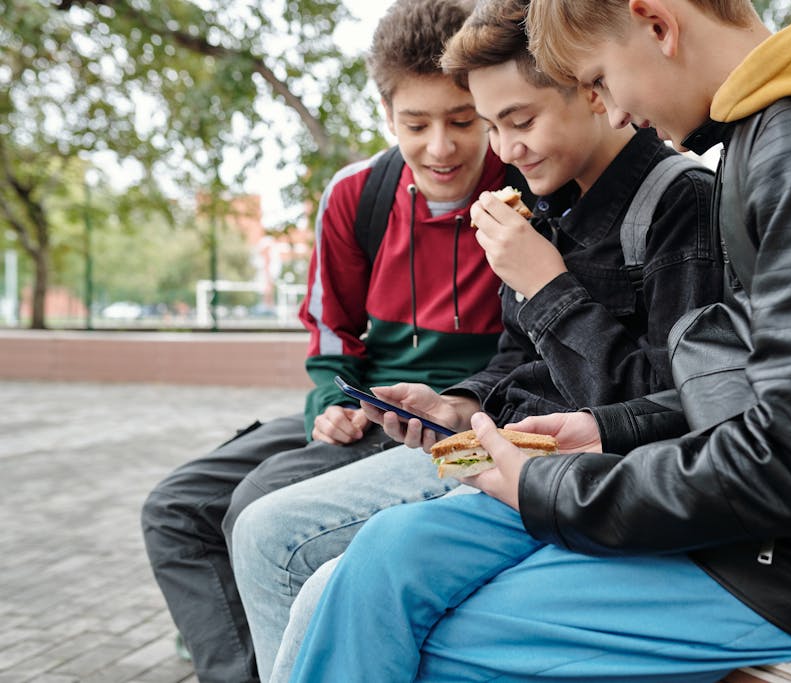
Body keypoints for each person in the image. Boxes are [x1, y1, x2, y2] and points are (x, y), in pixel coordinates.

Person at [284, 0, 791, 680]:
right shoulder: (779, 135)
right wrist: (602, 430)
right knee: (382, 557)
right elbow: (767, 389)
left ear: (657, 24)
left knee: (413, 631)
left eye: (598, 79)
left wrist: (551, 483)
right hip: (746, 524)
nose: (616, 109)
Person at [229, 0, 724, 677]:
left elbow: (679, 407)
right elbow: (518, 361)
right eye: (491, 126)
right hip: (489, 445)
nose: (503, 151)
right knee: (259, 528)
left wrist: (548, 287)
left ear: (592, 88)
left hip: (570, 476)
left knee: (300, 565)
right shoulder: (546, 202)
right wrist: (456, 405)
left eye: (517, 121)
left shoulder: (679, 204)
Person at [137, 0, 513, 679]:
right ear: (384, 112)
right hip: (362, 406)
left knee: (258, 510)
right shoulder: (356, 195)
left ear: (486, 108)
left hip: (450, 416)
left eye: (462, 121)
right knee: (175, 509)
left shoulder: (521, 189)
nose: (441, 147)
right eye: (416, 123)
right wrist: (327, 404)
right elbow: (331, 333)